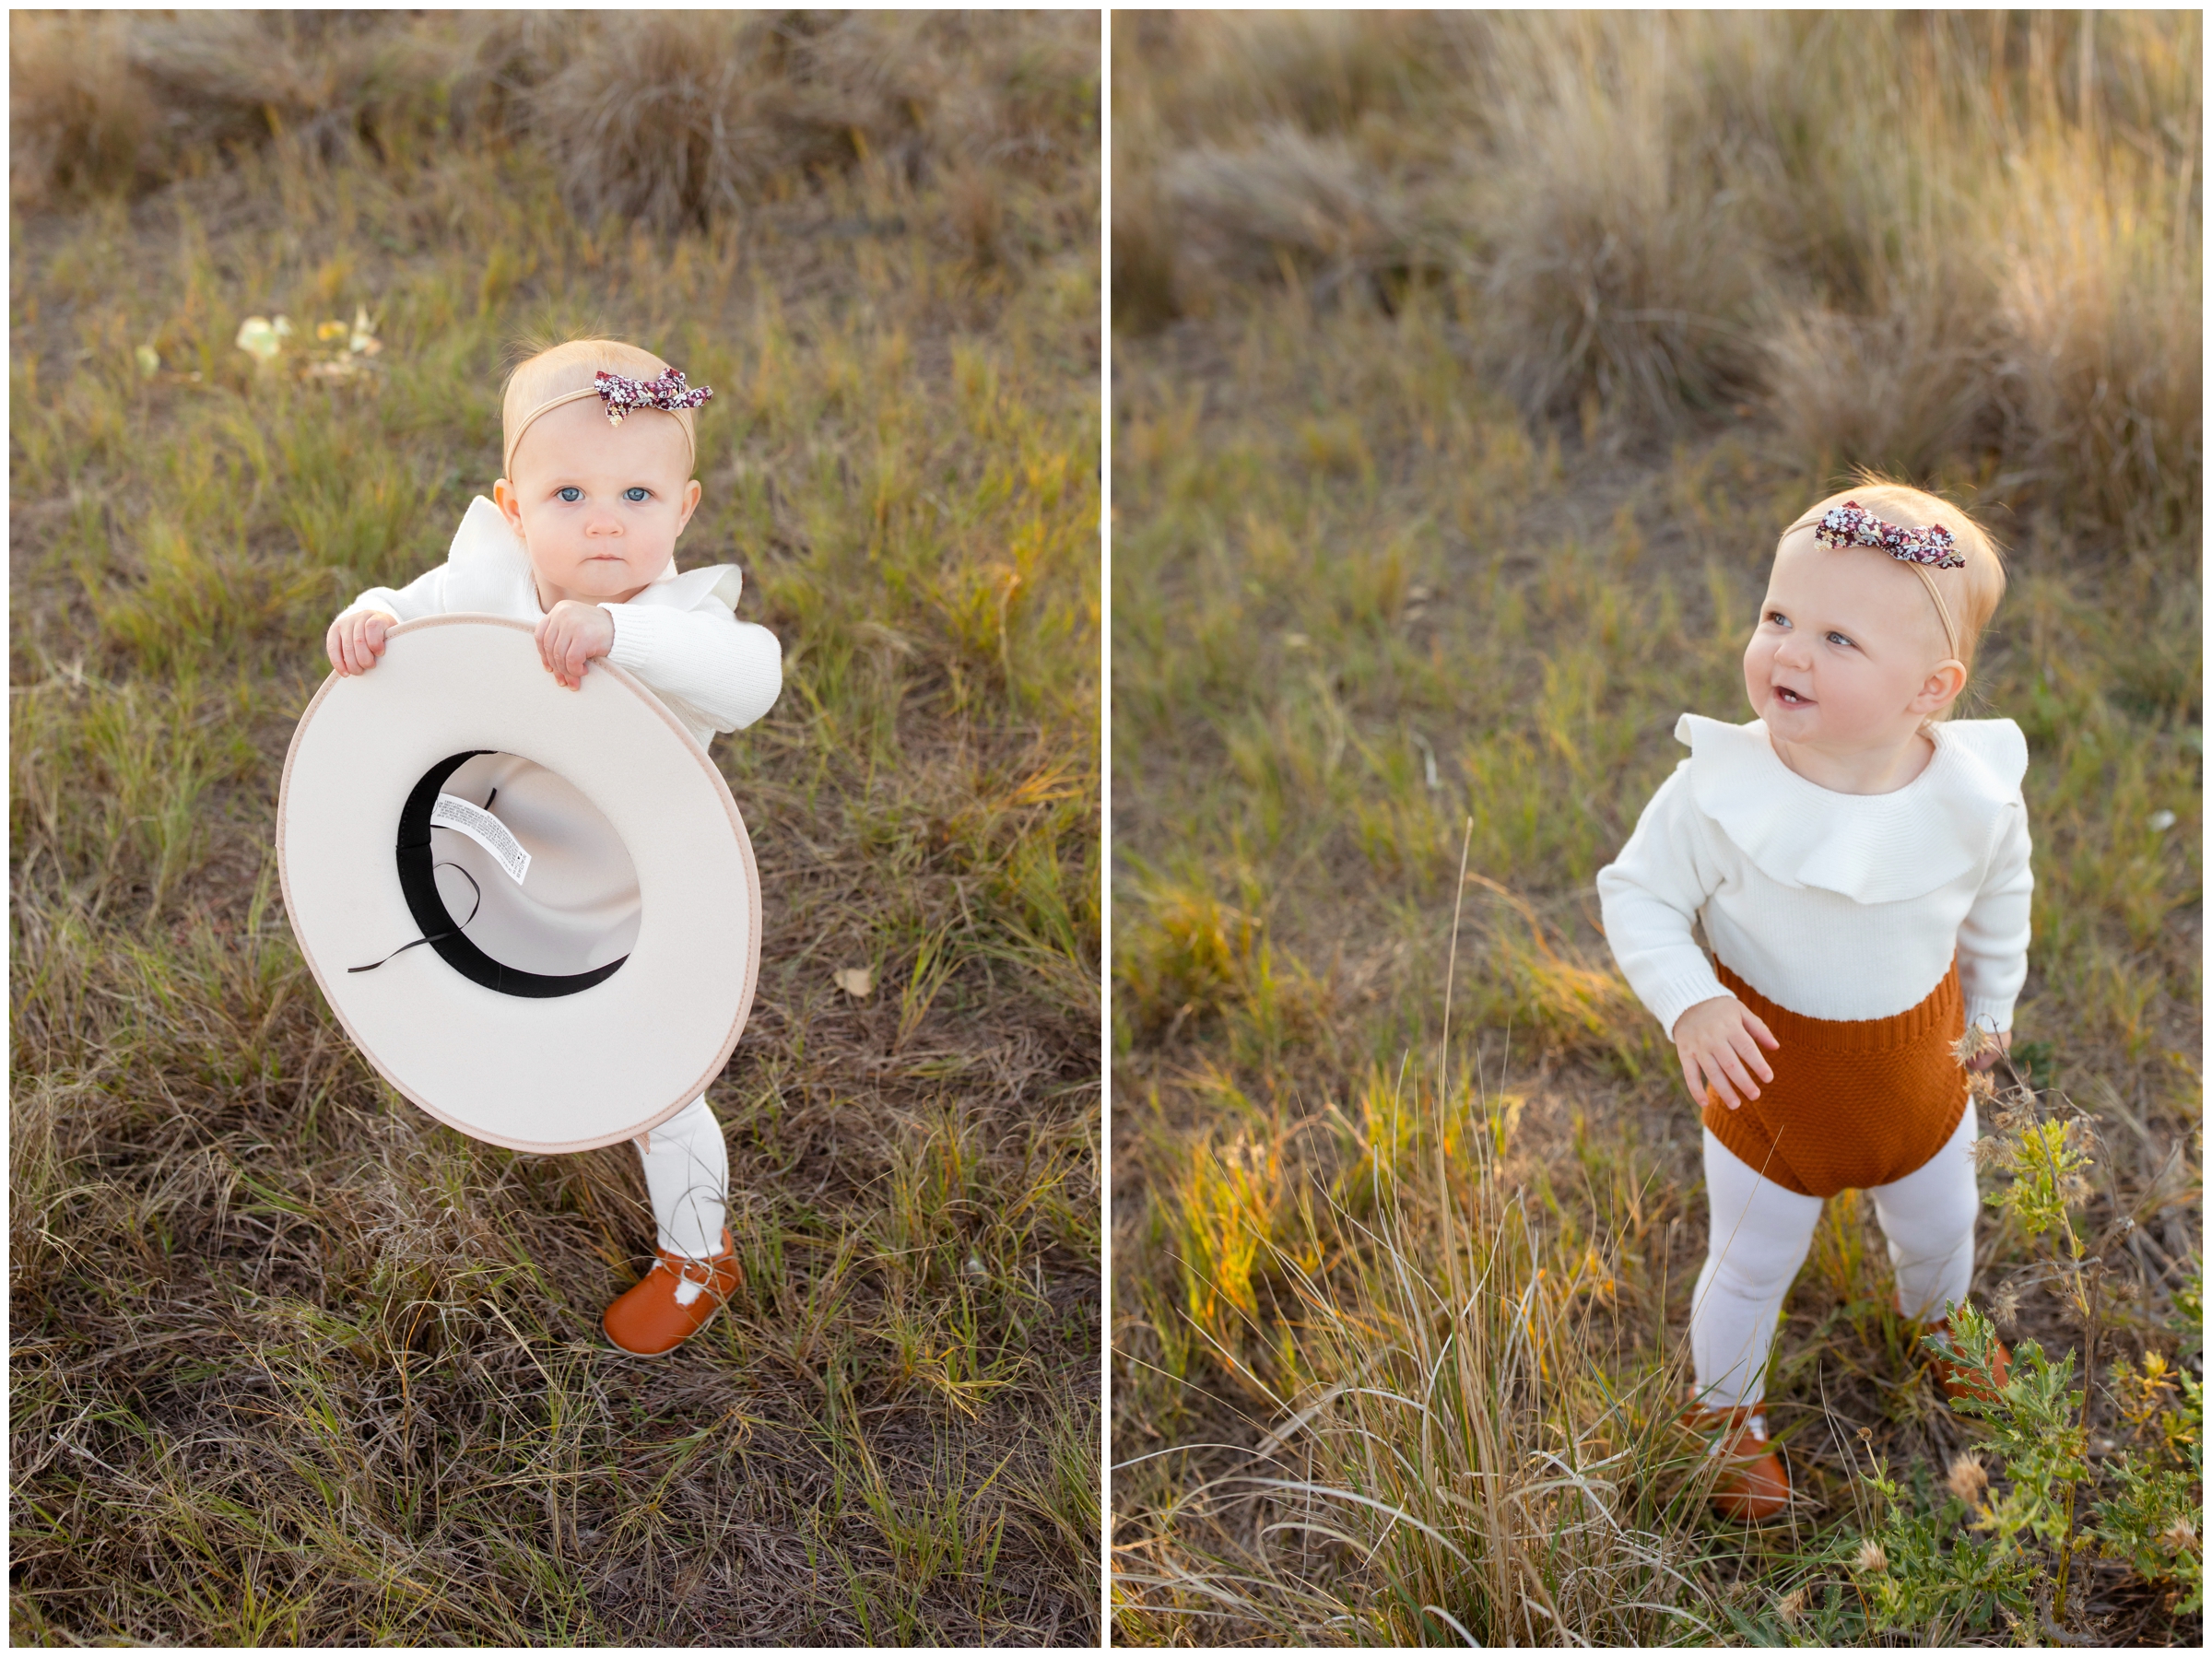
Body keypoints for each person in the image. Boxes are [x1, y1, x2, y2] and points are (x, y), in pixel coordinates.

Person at [325, 336, 782, 1356]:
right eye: (569, 494)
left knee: (664, 1084)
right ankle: (528, 1089)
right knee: (503, 1009)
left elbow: (753, 680)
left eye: (636, 494)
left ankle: (699, 1252)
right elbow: (408, 610)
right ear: (516, 506)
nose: (607, 518)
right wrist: (368, 618)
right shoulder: (488, 583)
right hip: (499, 868)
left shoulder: (679, 619)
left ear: (686, 508)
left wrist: (620, 637)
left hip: (629, 900)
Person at [1596, 480, 2030, 1520]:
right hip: (1770, 1097)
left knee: (1942, 1225)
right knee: (1749, 1266)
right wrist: (1690, 1000)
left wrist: (1996, 1005)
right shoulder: (1717, 789)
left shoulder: (1970, 797)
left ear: (1931, 688)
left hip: (1921, 1088)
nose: (1788, 651)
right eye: (1777, 616)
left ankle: (1944, 1327)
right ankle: (1724, 1415)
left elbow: (2001, 898)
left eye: (1837, 638)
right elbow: (1638, 893)